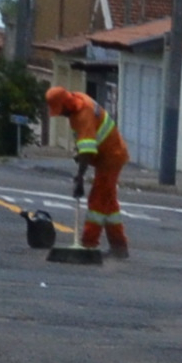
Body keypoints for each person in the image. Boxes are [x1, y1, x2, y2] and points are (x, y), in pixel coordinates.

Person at [44, 84, 131, 255]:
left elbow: (88, 149)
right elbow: (88, 143)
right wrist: (82, 155)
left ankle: (89, 244)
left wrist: (80, 178)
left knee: (97, 200)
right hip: (109, 154)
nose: (60, 114)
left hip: (111, 157)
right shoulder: (79, 100)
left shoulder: (83, 114)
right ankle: (119, 246)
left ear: (66, 104)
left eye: (60, 110)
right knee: (109, 202)